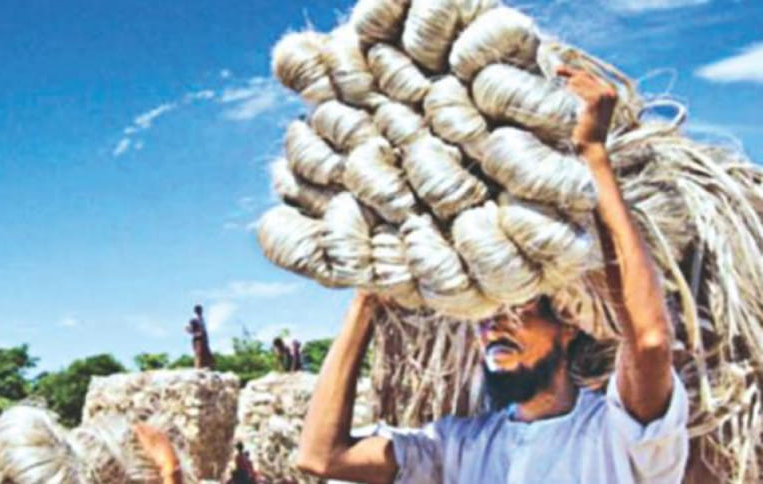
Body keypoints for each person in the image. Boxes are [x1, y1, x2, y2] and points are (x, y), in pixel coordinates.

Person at [294, 67, 689, 483]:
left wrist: (592, 154)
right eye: (485, 316)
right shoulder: (458, 445)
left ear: (569, 322)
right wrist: (367, 300)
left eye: (518, 308)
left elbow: (648, 341)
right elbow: (322, 456)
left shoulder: (617, 433)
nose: (492, 327)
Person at [185, 304, 215, 369]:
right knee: (199, 354)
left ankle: (206, 368)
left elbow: (204, 329)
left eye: (201, 310)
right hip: (198, 339)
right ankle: (197, 368)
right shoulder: (193, 319)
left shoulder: (202, 319)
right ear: (196, 311)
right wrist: (195, 333)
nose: (200, 311)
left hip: (204, 339)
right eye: (199, 310)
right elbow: (187, 328)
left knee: (207, 354)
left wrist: (206, 338)